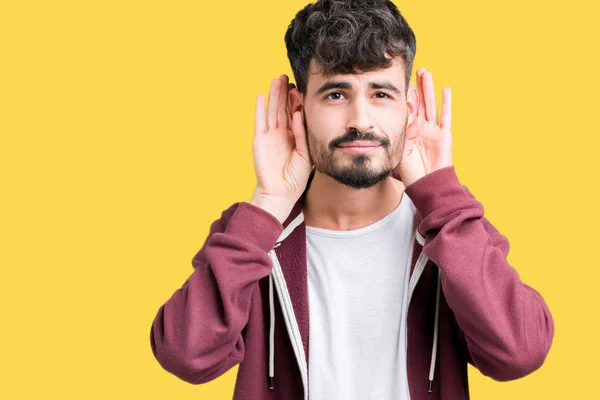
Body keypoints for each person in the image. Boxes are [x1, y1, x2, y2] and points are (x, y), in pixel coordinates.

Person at [149, 0, 555, 399]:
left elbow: (519, 354)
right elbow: (186, 356)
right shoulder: (254, 233)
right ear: (298, 106)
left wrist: (442, 199)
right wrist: (269, 203)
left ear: (409, 108)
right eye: (336, 94)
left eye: (381, 94)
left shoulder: (448, 229)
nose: (361, 119)